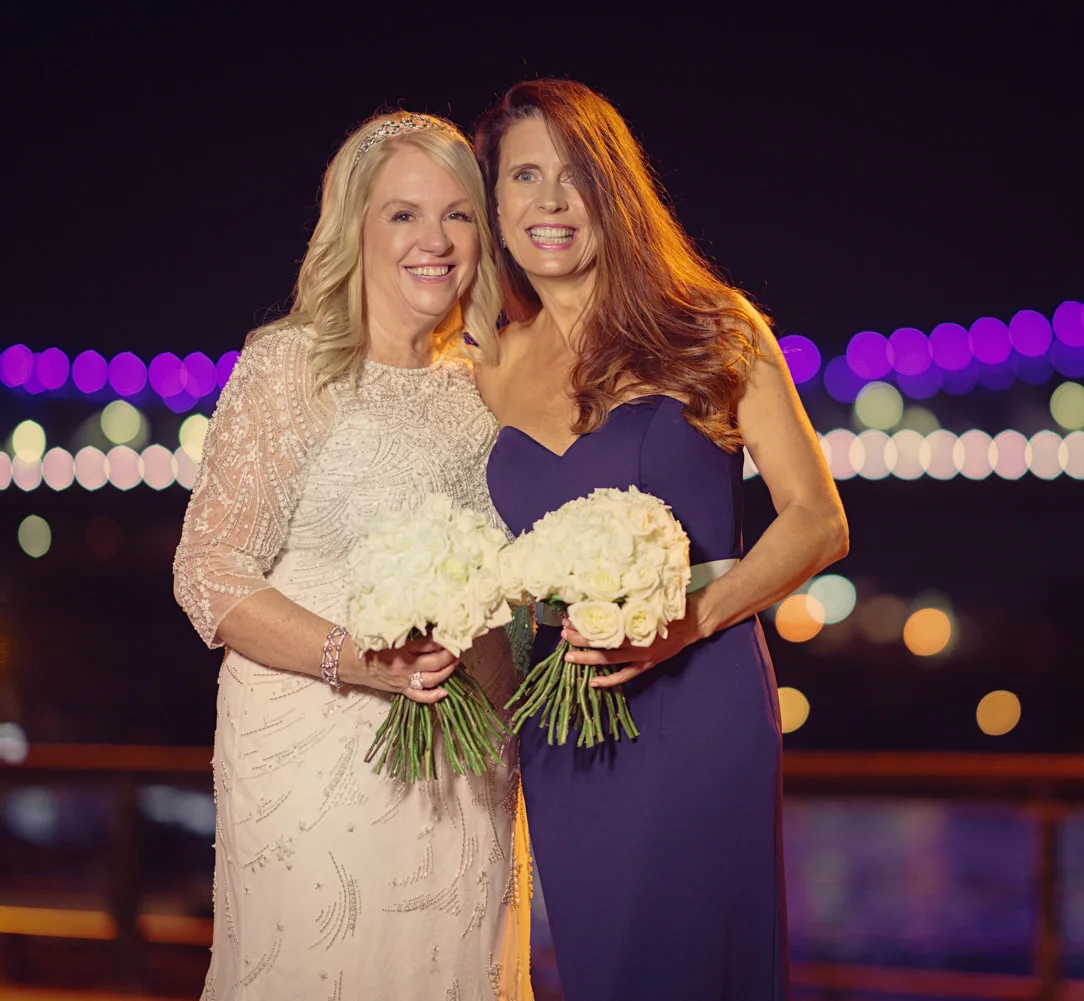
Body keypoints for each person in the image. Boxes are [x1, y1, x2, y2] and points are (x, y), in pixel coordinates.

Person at [475, 80, 849, 1000]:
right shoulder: (481, 363)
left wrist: (689, 621)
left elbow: (817, 517)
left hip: (699, 702)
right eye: (524, 175)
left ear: (616, 192)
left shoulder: (711, 325)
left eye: (576, 175)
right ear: (495, 205)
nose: (551, 201)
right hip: (560, 720)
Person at [173, 111, 531, 1000]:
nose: (434, 241)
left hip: (467, 759)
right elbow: (208, 568)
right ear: (356, 228)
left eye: (458, 214)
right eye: (404, 214)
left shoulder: (493, 384)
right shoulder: (292, 368)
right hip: (313, 752)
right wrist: (358, 659)